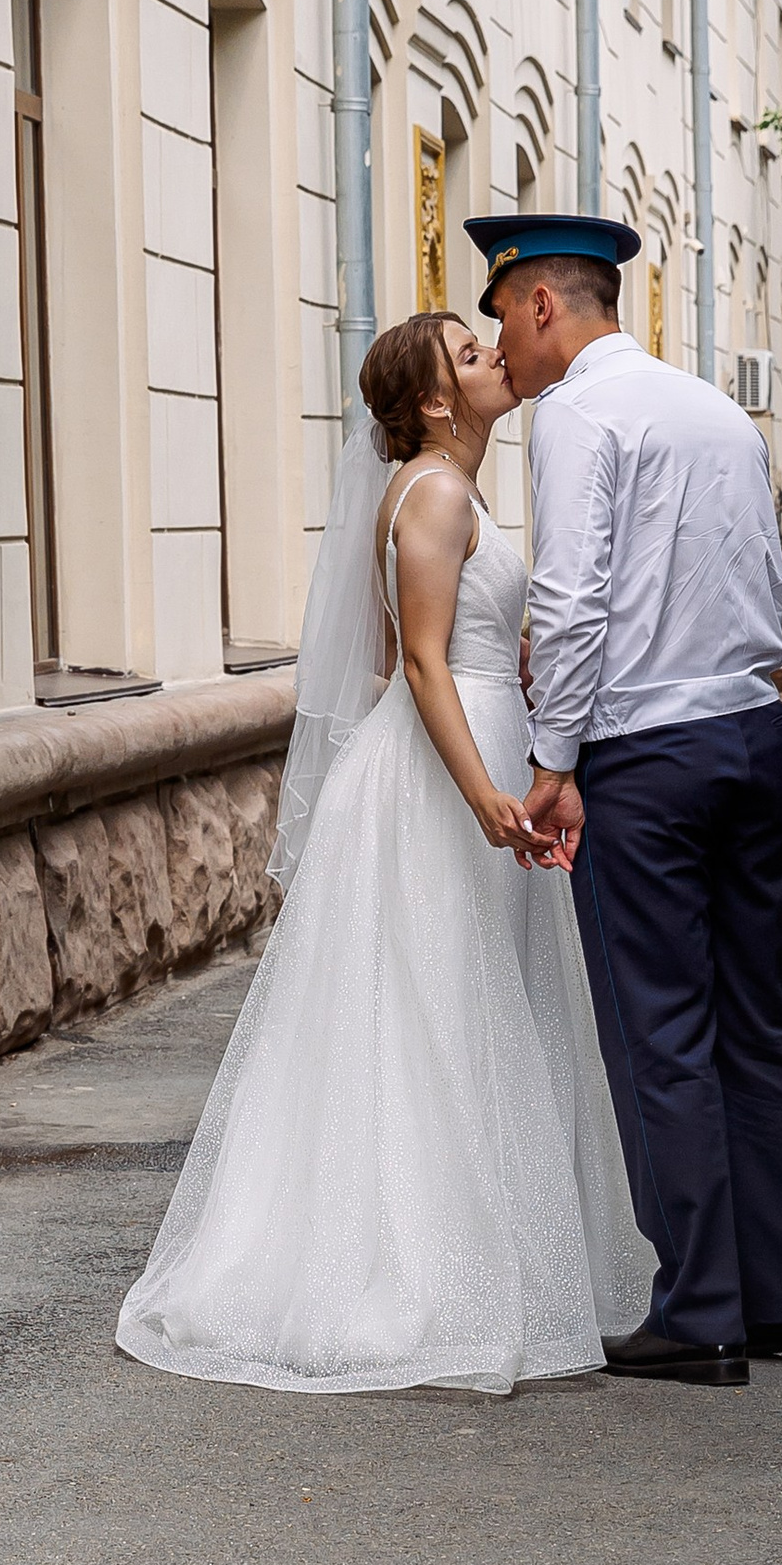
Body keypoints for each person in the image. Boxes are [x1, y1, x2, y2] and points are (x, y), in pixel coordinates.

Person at [115, 311, 652, 1395]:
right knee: (438, 1011)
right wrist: (485, 797)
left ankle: (482, 1261)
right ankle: (409, 1280)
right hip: (442, 775)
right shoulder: (439, 492)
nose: (494, 352)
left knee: (472, 1006)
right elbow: (416, 660)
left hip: (477, 750)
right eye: (466, 352)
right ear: (435, 400)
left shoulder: (454, 489)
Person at [470, 212, 782, 1390]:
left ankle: (699, 1311)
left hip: (647, 753)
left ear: (539, 301)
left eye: (503, 323)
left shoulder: (581, 410)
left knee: (662, 1030)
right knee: (761, 1022)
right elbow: (760, 575)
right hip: (749, 734)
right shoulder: (716, 411)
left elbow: (575, 598)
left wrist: (553, 757)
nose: (508, 358)